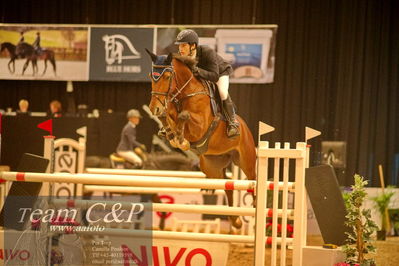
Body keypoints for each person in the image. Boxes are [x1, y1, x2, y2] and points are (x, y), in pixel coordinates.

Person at [174, 29, 240, 138]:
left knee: (223, 92)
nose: (180, 49)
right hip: (203, 76)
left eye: (183, 46)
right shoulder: (183, 57)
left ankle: (232, 122)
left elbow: (214, 76)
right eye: (179, 46)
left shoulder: (207, 52)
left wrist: (198, 71)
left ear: (193, 46)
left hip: (220, 72)